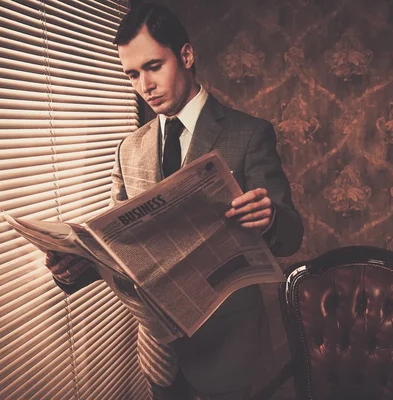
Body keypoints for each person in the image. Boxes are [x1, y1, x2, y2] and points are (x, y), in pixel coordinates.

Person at [45, 3, 303, 399]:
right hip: (160, 354)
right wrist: (75, 268)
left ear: (186, 55)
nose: (144, 85)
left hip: (230, 352)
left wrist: (269, 219)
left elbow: (291, 234)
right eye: (132, 74)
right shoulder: (127, 149)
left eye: (153, 66)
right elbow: (119, 246)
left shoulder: (249, 134)